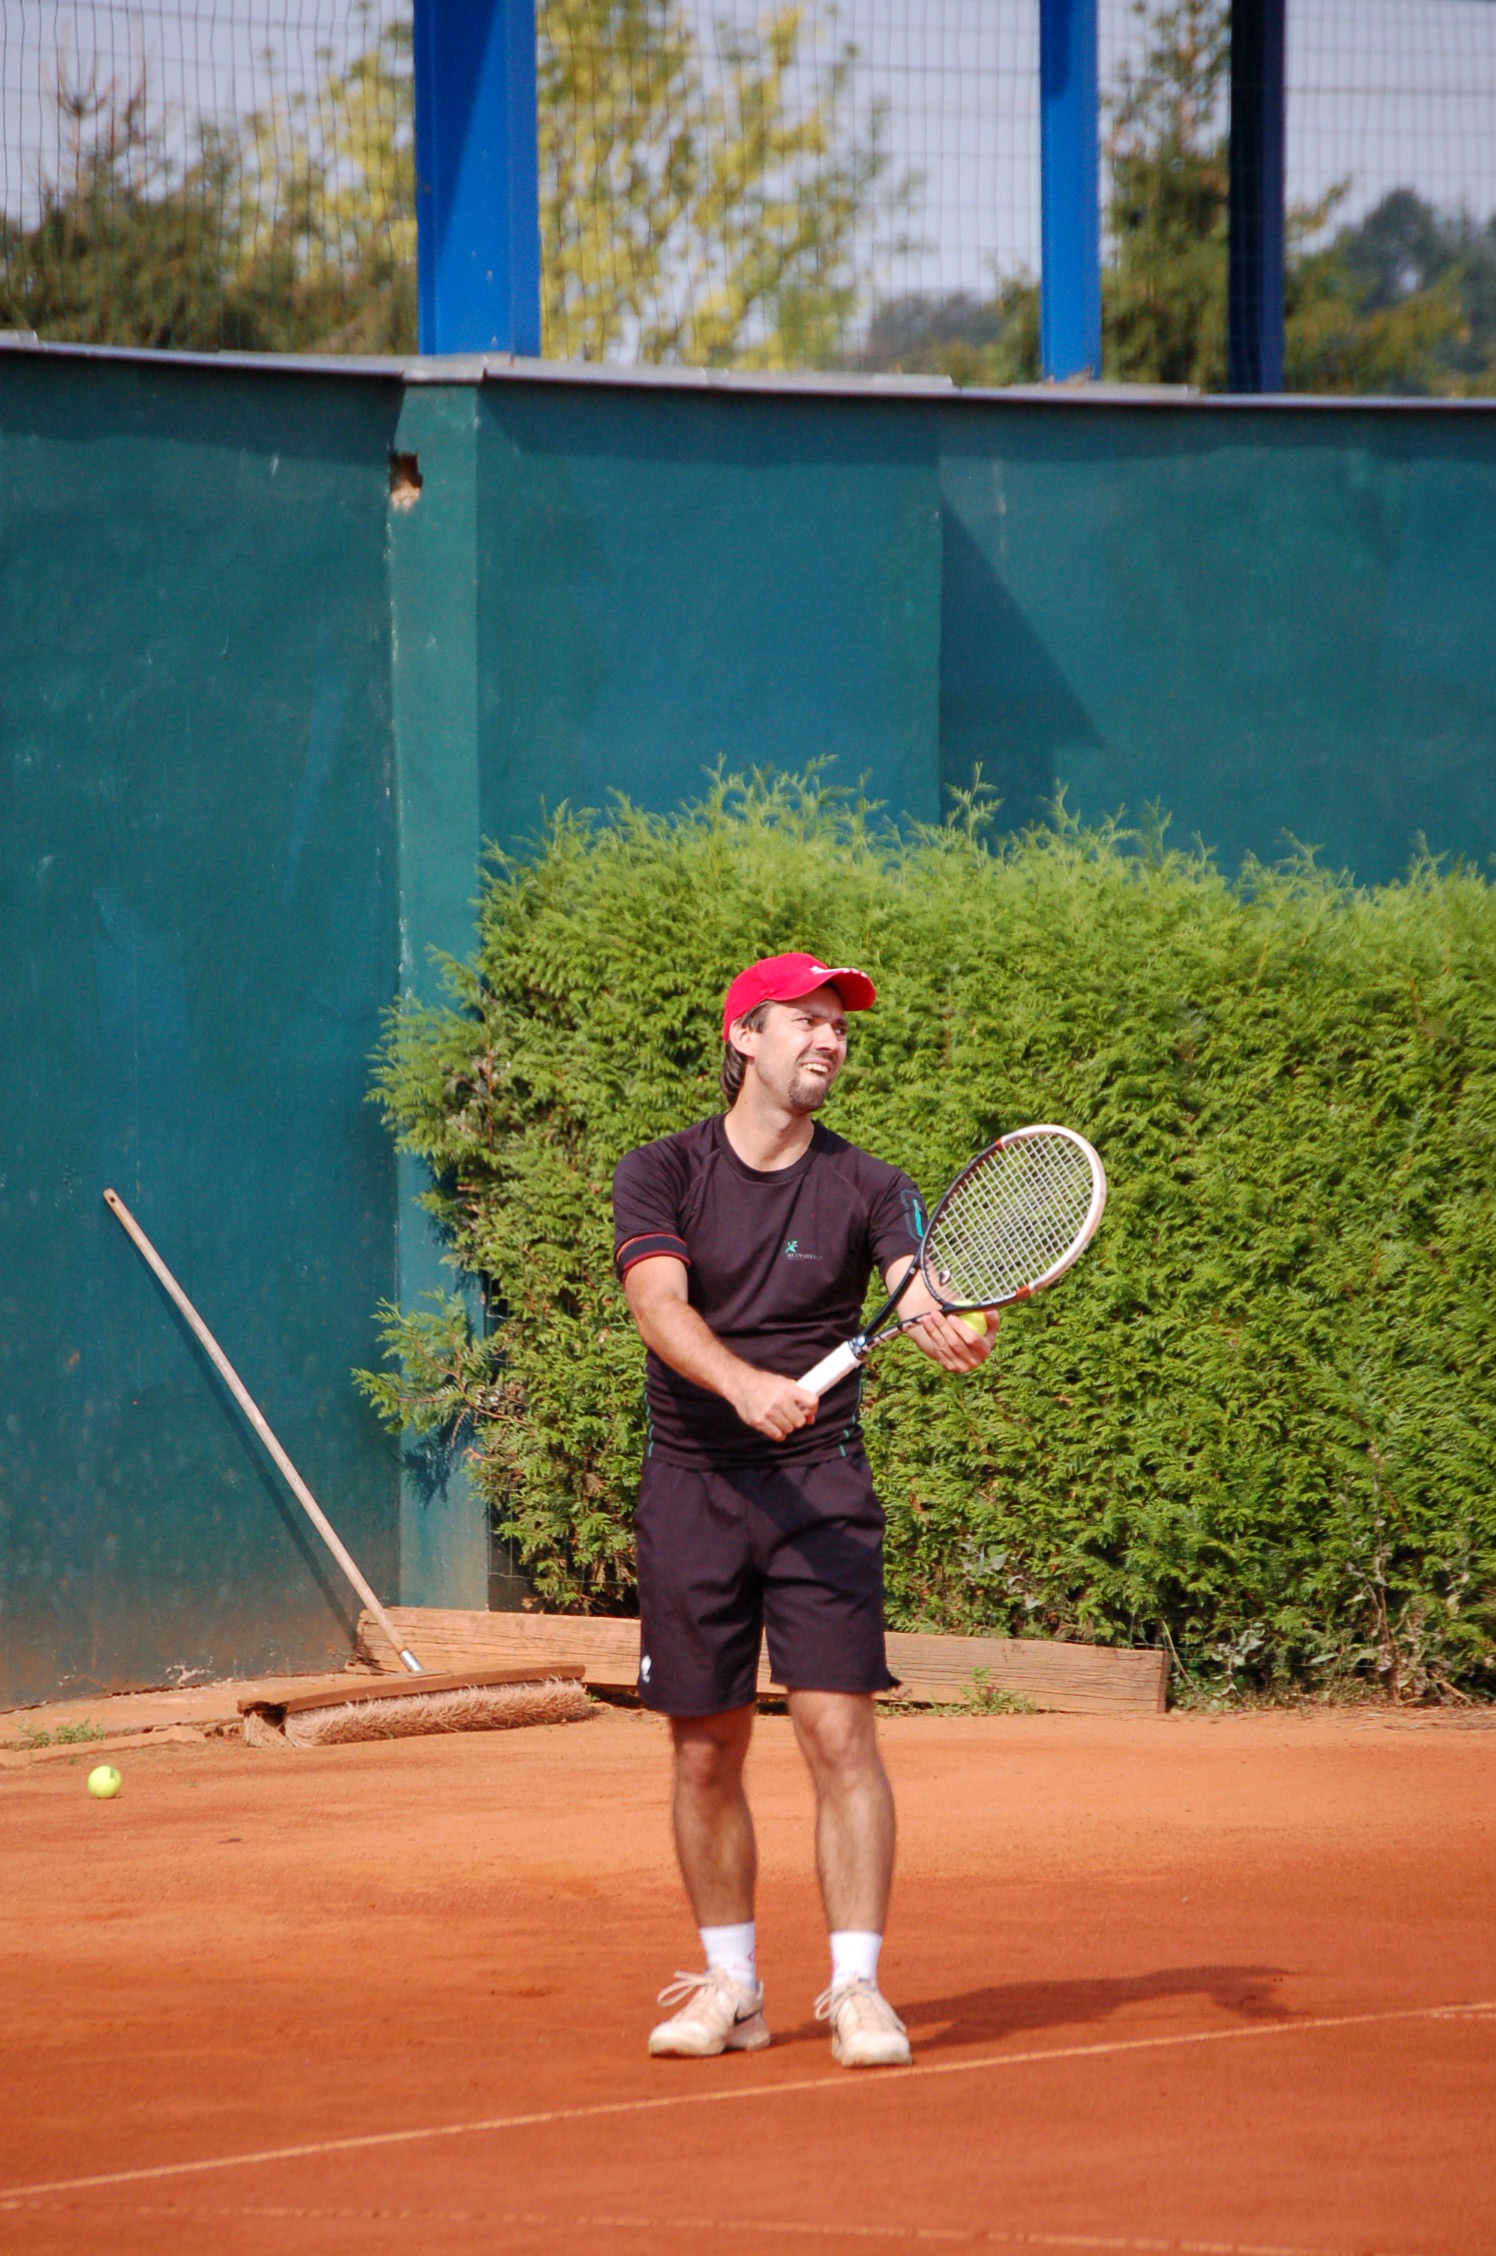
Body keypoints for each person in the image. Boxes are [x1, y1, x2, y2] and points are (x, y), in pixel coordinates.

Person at [611, 951, 998, 2069]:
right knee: (703, 1748)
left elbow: (912, 1280)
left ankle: (857, 1987)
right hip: (693, 1486)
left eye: (840, 1027)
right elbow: (657, 1303)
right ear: (744, 1035)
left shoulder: (870, 1185)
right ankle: (730, 1986)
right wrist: (740, 1385)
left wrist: (939, 1316)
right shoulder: (661, 1171)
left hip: (820, 1489)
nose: (829, 1039)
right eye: (806, 1020)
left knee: (838, 1730)